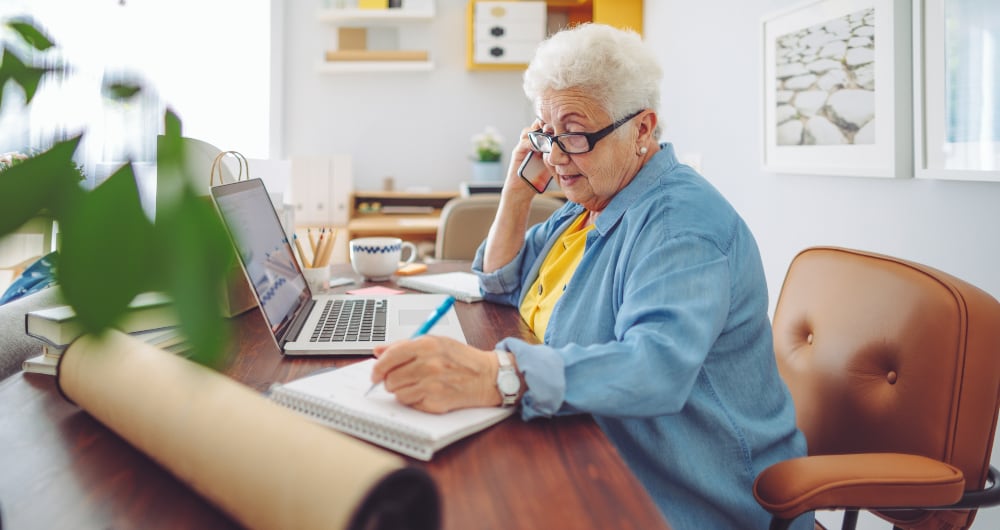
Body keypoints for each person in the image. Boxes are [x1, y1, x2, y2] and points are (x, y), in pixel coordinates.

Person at [371, 23, 812, 530]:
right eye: (546, 133)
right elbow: (499, 279)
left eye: (575, 133)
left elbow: (655, 367)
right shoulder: (588, 204)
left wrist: (497, 375)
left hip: (688, 490)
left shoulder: (679, 227)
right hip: (596, 443)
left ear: (642, 130)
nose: (556, 156)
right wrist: (518, 190)